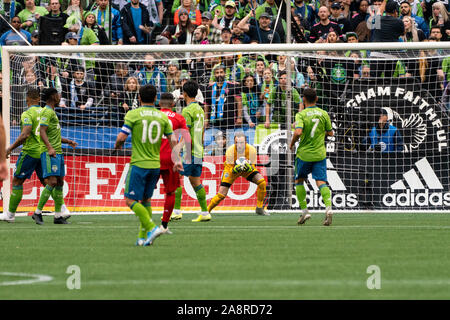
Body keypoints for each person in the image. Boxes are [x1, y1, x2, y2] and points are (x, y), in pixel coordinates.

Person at [114, 84, 182, 246]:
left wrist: (117, 146)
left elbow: (122, 137)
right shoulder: (162, 117)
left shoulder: (133, 114)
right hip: (155, 164)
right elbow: (173, 139)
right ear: (155, 99)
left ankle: (151, 228)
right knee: (146, 200)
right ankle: (142, 238)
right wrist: (177, 160)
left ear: (139, 98)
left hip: (139, 163)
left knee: (130, 200)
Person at [0, 88, 71, 223]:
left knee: (17, 181)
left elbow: (25, 134)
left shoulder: (27, 114)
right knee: (49, 182)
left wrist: (9, 149)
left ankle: (10, 215)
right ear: (39, 99)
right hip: (44, 152)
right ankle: (61, 209)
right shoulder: (46, 111)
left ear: (27, 100)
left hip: (30, 152)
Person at [31, 87, 77, 225]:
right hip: (50, 152)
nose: (60, 96)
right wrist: (50, 148)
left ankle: (58, 216)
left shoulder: (52, 112)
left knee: (60, 183)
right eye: (58, 94)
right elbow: (42, 131)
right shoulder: (46, 112)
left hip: (58, 152)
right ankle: (37, 213)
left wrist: (68, 141)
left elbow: (53, 134)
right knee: (52, 182)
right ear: (52, 97)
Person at [289, 87, 334, 226]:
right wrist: (320, 133)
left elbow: (297, 132)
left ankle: (305, 211)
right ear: (317, 99)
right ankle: (328, 208)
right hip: (320, 154)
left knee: (299, 181)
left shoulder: (301, 115)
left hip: (304, 154)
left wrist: (291, 144)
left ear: (303, 99)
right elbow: (331, 133)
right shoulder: (323, 113)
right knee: (321, 182)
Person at [207, 132, 268, 216]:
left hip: (246, 170)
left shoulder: (252, 150)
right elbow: (230, 169)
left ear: (246, 142)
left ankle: (259, 208)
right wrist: (237, 168)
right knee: (221, 194)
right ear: (234, 142)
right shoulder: (230, 151)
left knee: (262, 182)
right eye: (237, 143)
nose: (239, 145)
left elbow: (253, 166)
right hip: (231, 171)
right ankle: (206, 211)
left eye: (241, 143)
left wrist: (249, 167)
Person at [158, 92, 188, 230]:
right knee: (170, 192)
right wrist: (177, 151)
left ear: (159, 103)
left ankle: (145, 224)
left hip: (151, 157)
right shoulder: (179, 118)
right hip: (171, 158)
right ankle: (164, 224)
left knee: (145, 193)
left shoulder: (153, 116)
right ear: (173, 104)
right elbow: (187, 139)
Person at [181, 80, 209, 222]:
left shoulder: (187, 111)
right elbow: (202, 131)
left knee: (175, 178)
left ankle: (175, 211)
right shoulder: (200, 109)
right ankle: (205, 213)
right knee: (195, 181)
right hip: (199, 151)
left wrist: (178, 148)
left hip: (189, 152)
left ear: (184, 94)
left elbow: (186, 135)